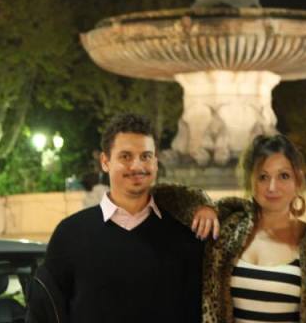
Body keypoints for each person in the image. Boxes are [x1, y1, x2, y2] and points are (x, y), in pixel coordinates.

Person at [157, 133, 306, 322]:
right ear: (251, 181)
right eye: (263, 177)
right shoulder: (227, 230)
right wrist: (201, 205)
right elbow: (163, 194)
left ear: (298, 180)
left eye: (283, 176)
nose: (272, 187)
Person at [28, 113, 204, 323]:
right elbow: (43, 312)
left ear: (156, 163)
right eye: (125, 156)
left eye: (146, 156)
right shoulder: (70, 234)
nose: (137, 166)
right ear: (105, 162)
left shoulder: (183, 233)